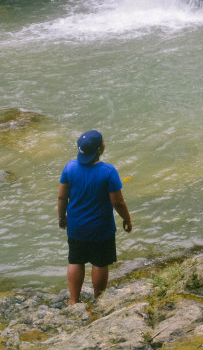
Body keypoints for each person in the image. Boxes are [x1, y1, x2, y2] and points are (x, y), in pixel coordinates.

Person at [57, 129, 132, 305]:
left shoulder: (70, 168)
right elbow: (118, 202)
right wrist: (127, 219)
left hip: (76, 226)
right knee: (99, 263)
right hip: (101, 228)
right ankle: (99, 299)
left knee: (75, 260)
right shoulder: (108, 172)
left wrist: (61, 217)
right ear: (99, 150)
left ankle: (74, 301)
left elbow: (62, 197)